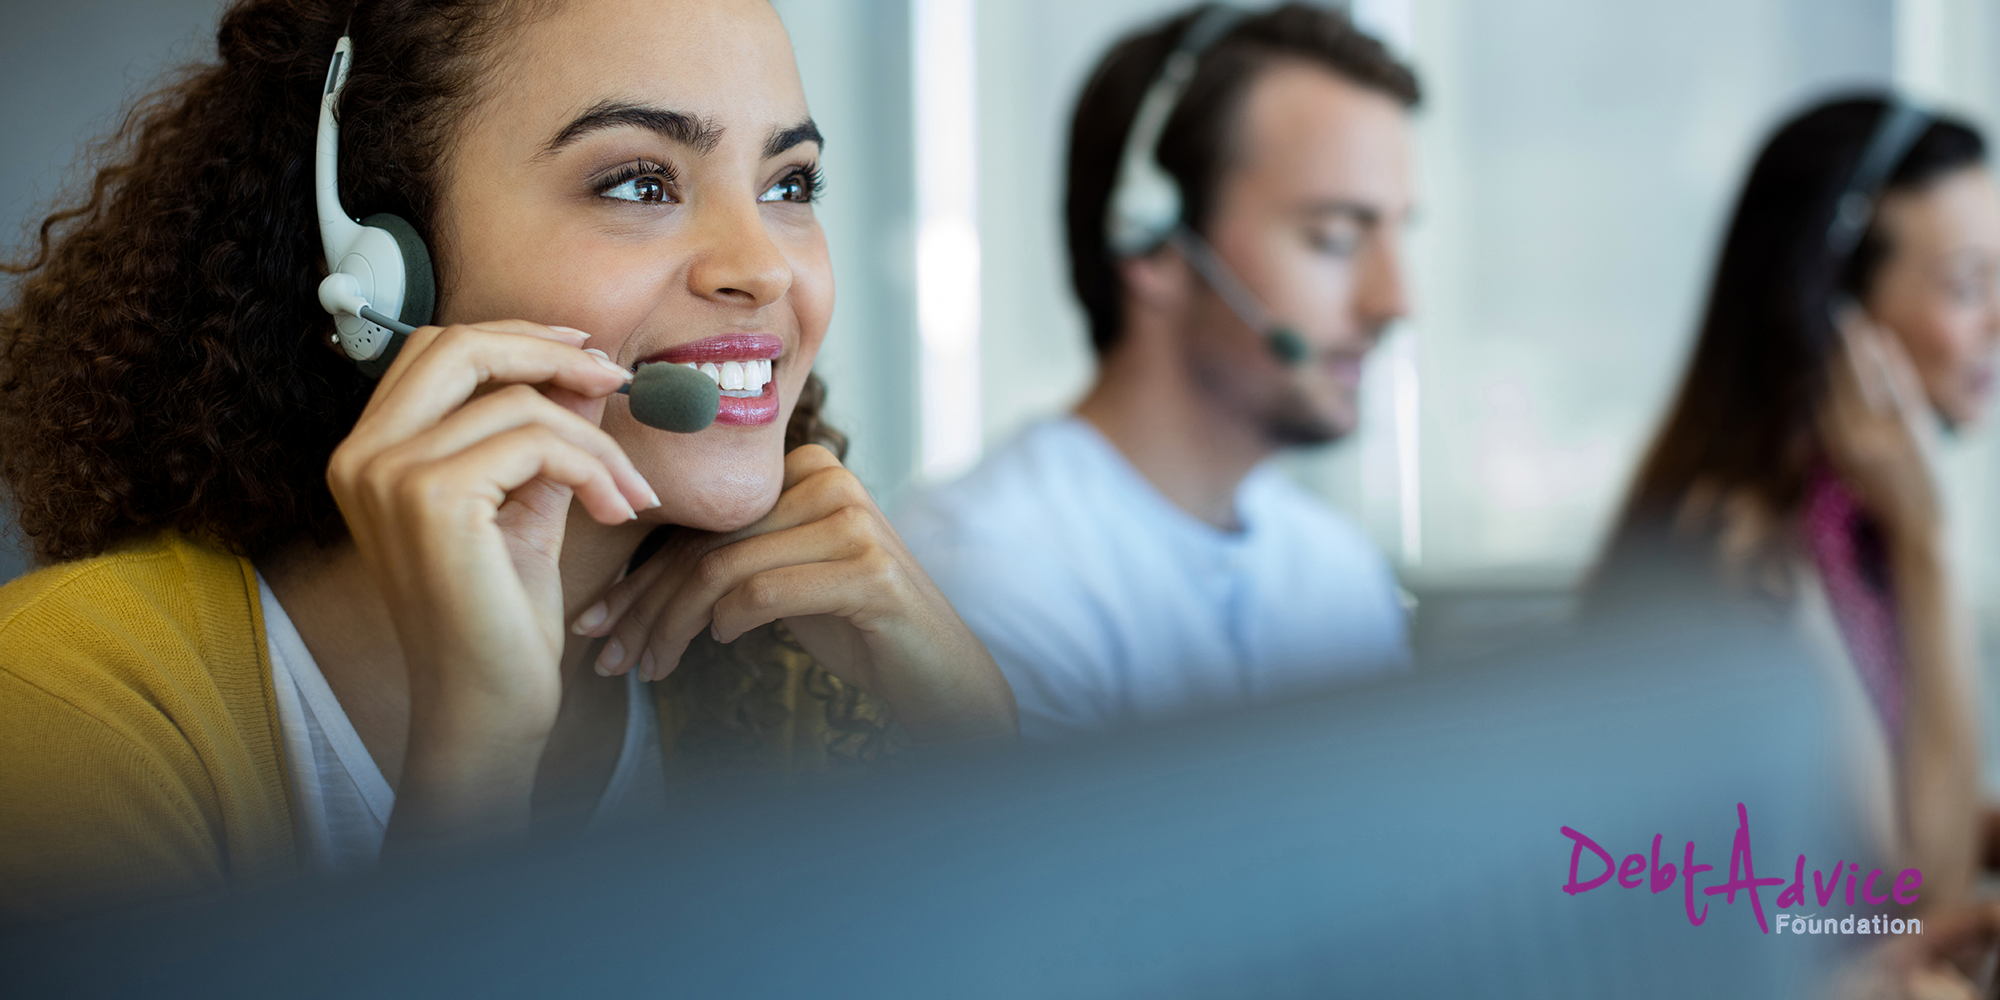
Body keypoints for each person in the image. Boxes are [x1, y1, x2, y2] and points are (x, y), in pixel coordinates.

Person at [0, 0, 1015, 926]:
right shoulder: (63, 711)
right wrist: (474, 763)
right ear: (384, 264)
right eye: (638, 181)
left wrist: (977, 744)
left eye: (788, 183)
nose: (760, 267)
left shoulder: (778, 675)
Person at [895, 3, 1415, 740]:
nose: (1395, 301)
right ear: (1154, 248)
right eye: (1333, 238)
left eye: (1397, 235)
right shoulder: (987, 575)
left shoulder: (1338, 573)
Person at [1589, 95, 2000, 915]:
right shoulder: (1746, 552)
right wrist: (1933, 541)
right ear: (1830, 310)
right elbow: (1914, 892)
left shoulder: (1855, 526)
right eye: (1967, 285)